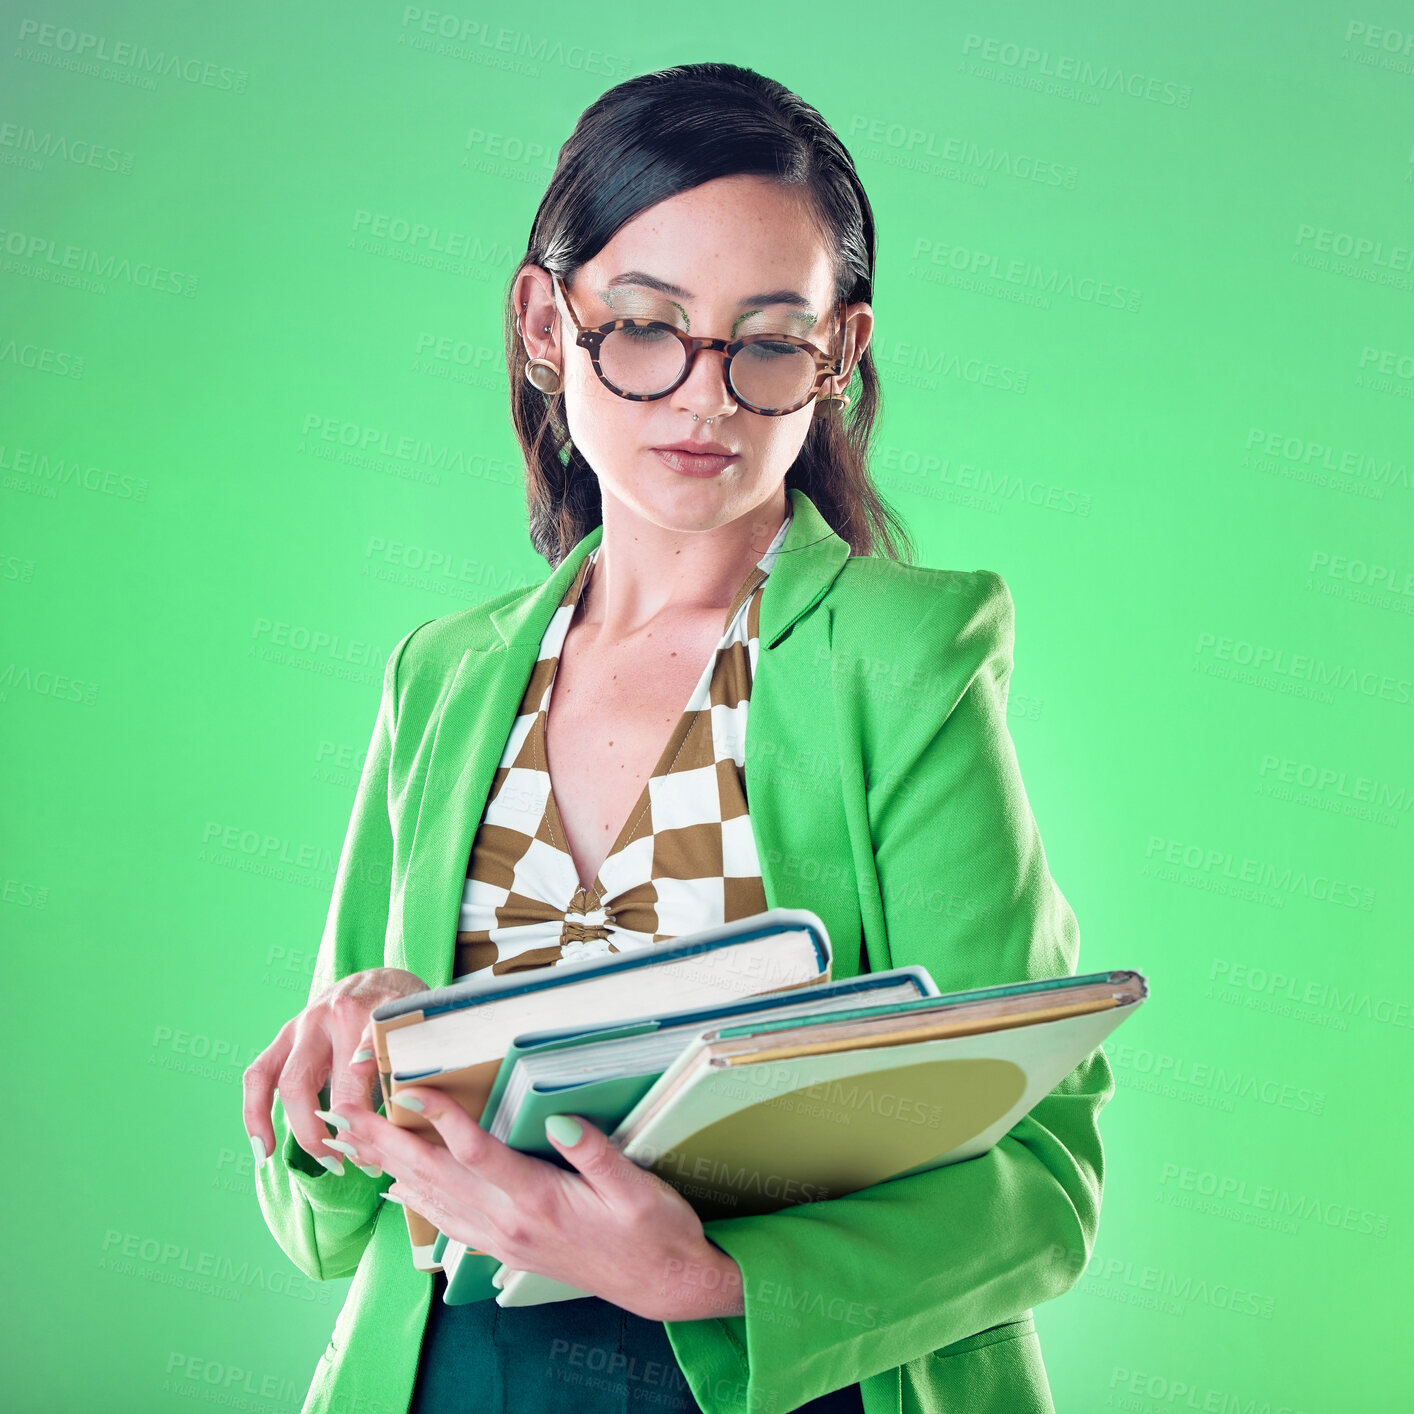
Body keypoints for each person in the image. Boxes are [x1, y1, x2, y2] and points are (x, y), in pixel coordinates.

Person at [242, 61, 1113, 1414]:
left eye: (766, 341)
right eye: (644, 326)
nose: (702, 398)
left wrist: (702, 1275)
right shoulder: (444, 676)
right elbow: (330, 1226)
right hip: (451, 1375)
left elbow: (1041, 1181)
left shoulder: (903, 658)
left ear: (838, 356)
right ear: (546, 318)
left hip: (781, 1373)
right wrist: (346, 1075)